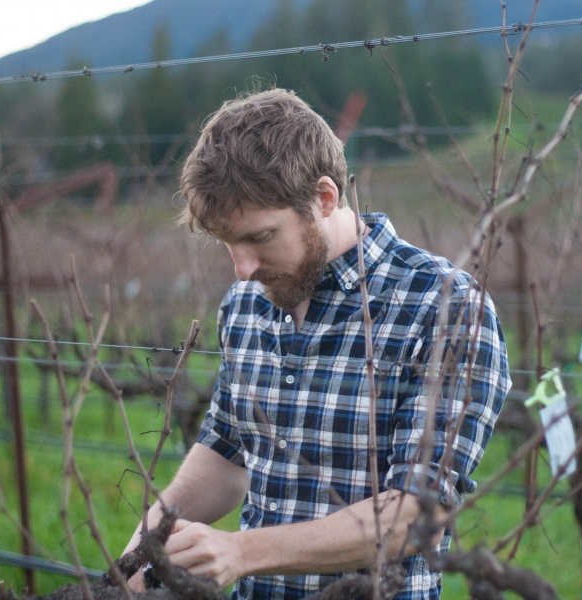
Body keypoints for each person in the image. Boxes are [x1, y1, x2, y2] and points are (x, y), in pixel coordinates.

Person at [122, 88, 510, 600]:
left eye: (260, 238)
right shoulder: (246, 304)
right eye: (228, 245)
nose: (241, 269)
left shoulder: (446, 307)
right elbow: (225, 452)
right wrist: (141, 548)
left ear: (325, 198)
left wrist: (241, 552)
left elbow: (418, 512)